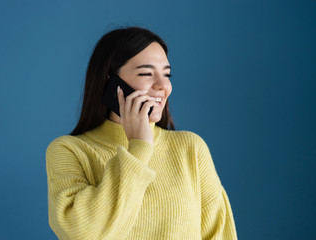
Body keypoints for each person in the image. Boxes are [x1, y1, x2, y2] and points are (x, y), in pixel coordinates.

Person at [46, 26, 238, 240]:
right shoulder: (68, 151)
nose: (163, 86)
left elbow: (219, 234)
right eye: (147, 73)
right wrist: (139, 147)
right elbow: (82, 233)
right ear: (111, 82)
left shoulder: (190, 148)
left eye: (167, 74)